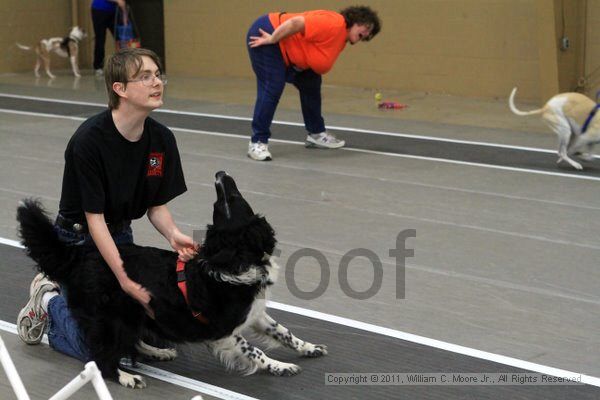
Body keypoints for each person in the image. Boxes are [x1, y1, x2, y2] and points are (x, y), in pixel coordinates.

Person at [17, 48, 197, 361]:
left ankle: (127, 333)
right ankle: (49, 299)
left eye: (157, 75)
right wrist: (125, 279)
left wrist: (172, 235)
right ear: (120, 89)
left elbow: (156, 206)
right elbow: (95, 220)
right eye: (144, 77)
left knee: (141, 328)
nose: (156, 83)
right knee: (98, 349)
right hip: (79, 240)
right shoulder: (89, 141)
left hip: (121, 235)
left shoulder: (162, 139)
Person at [246, 6, 381, 161]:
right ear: (357, 20)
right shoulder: (334, 23)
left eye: (369, 34)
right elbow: (295, 23)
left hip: (287, 53)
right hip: (267, 35)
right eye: (367, 28)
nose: (367, 34)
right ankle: (257, 142)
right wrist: (272, 39)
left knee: (311, 83)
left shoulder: (341, 38)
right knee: (272, 87)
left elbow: (311, 51)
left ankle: (316, 134)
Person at [91, 0, 128, 76]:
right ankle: (98, 67)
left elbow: (123, 3)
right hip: (99, 10)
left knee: (120, 39)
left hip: (114, 11)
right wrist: (118, 1)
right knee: (100, 39)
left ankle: (123, 65)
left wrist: (124, 16)